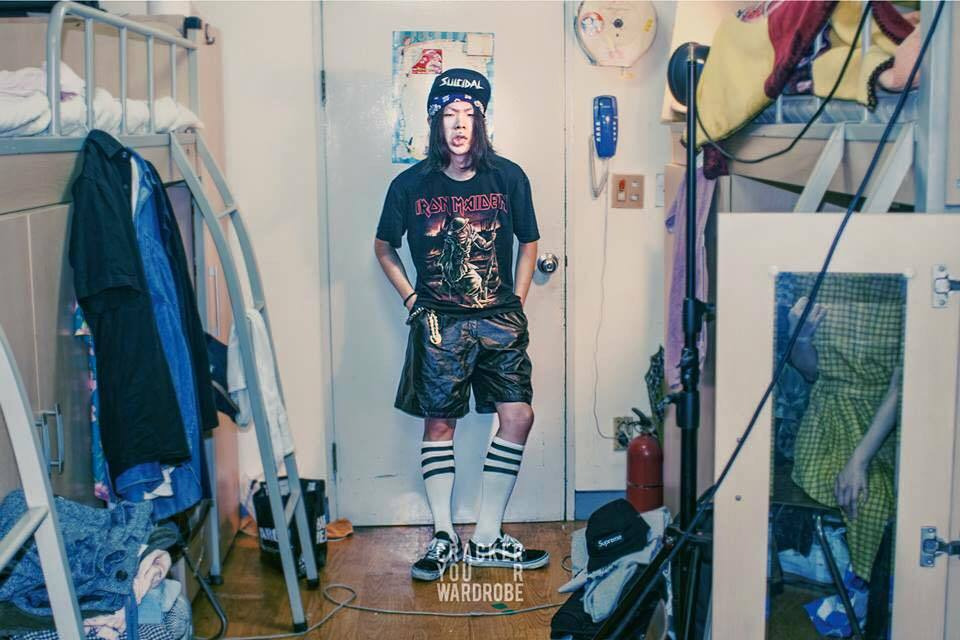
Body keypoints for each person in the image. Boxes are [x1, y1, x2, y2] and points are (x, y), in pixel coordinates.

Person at [374, 68, 549, 582]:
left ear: (481, 121)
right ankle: (444, 535)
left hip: (499, 320)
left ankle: (488, 537)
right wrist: (411, 297)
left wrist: (517, 300)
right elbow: (383, 247)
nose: (459, 124)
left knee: (518, 416)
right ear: (436, 122)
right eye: (449, 114)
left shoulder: (509, 178)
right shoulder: (410, 185)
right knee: (439, 424)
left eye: (469, 115)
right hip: (439, 324)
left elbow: (529, 242)